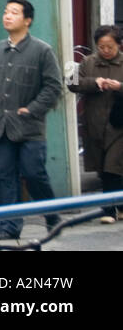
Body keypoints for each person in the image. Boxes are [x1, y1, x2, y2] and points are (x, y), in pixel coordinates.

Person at [0, 0, 64, 239]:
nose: (7, 16)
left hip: (30, 127)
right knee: (4, 176)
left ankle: (52, 215)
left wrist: (32, 109)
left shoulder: (42, 51)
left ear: (28, 20)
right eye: (6, 12)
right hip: (1, 126)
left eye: (14, 13)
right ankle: (8, 228)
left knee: (33, 173)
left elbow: (53, 87)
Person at [68, 24, 123, 222]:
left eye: (110, 47)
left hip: (119, 126)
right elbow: (72, 83)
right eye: (101, 47)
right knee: (103, 168)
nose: (106, 51)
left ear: (119, 45)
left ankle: (108, 211)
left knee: (113, 166)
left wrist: (119, 87)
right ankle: (119, 205)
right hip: (95, 124)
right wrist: (94, 82)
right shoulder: (87, 62)